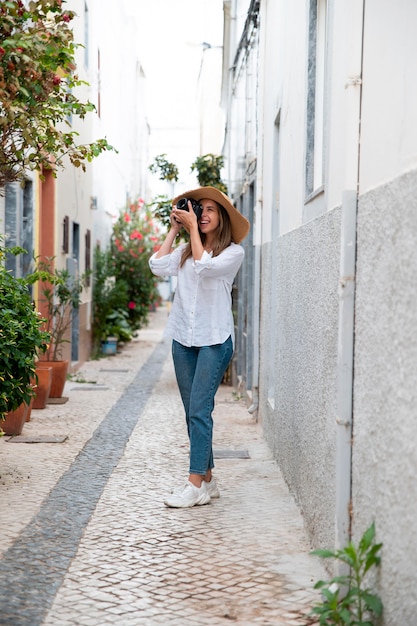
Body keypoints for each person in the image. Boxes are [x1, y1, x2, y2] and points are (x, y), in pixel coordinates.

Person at [149, 186, 250, 508]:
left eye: (210, 210)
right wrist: (175, 228)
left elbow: (204, 266)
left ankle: (194, 485)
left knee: (199, 411)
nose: (203, 215)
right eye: (199, 209)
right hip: (184, 339)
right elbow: (156, 265)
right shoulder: (182, 251)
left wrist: (192, 231)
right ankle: (208, 479)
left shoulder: (233, 253)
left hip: (214, 340)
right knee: (192, 412)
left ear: (221, 218)